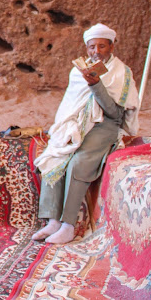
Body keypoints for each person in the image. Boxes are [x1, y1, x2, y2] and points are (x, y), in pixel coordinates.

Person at [32, 23, 139, 244]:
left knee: (78, 162)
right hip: (76, 124)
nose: (96, 51)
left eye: (101, 46)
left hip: (105, 126)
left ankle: (68, 225)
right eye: (92, 47)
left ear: (111, 46)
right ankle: (52, 220)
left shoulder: (121, 73)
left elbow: (114, 112)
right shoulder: (77, 71)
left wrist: (96, 84)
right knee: (54, 155)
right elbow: (70, 105)